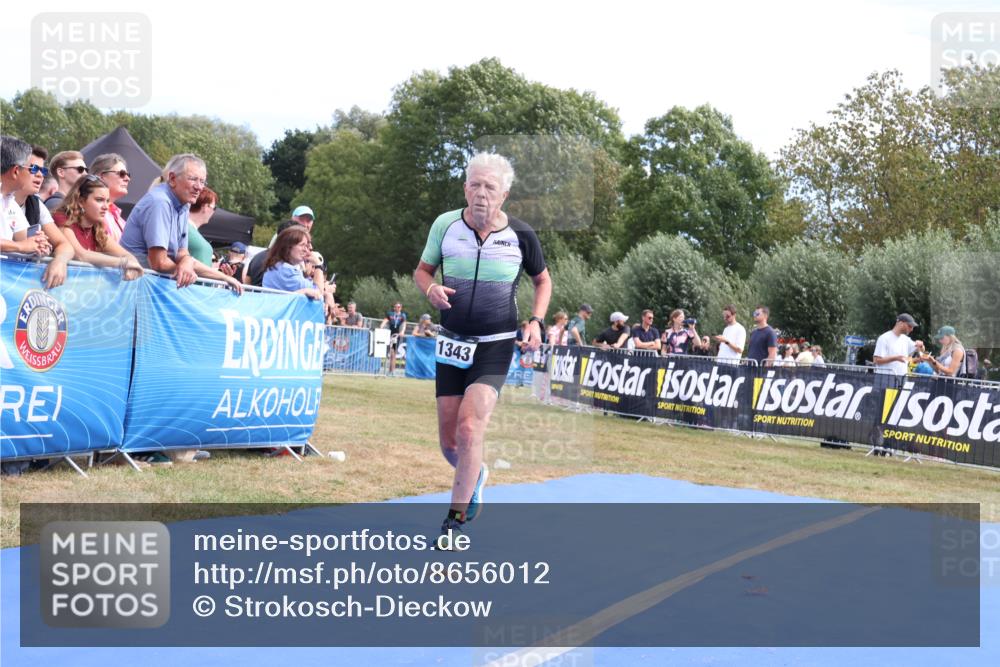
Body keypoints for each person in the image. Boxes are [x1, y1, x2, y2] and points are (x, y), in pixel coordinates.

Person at [413, 152, 551, 546]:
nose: (481, 193)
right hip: (451, 343)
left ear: (504, 194)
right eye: (474, 184)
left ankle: (453, 520)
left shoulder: (521, 235)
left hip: (495, 343)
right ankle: (477, 475)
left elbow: (543, 282)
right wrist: (431, 289)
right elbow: (422, 271)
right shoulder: (445, 226)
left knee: (471, 427)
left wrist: (536, 321)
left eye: (490, 186)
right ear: (464, 188)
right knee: (450, 442)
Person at [120, 153, 242, 293]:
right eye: (193, 179)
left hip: (145, 287)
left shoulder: (184, 205)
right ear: (172, 179)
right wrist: (186, 267)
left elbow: (182, 254)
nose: (199, 187)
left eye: (202, 181)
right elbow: (158, 262)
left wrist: (224, 278)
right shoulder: (160, 202)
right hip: (131, 289)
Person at [1, 141, 73, 288]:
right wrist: (21, 247)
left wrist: (40, 246)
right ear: (16, 170)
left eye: (43, 170)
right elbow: (23, 243)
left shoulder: (11, 202)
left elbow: (28, 239)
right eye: (33, 169)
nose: (40, 175)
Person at [55, 175, 143, 279]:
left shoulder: (96, 227)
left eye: (107, 201)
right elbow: (80, 255)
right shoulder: (61, 217)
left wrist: (131, 266)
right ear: (81, 201)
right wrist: (123, 263)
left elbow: (127, 256)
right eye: (99, 200)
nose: (106, 206)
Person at [262, 226, 323, 299]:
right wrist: (318, 265)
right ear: (287, 247)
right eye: (302, 245)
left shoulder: (278, 266)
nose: (306, 250)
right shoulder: (286, 271)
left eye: (306, 246)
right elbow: (318, 293)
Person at [88, 153, 130, 241]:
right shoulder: (91, 213)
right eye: (121, 174)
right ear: (101, 177)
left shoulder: (119, 217)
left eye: (128, 174)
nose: (127, 178)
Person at [186, 187, 218, 266]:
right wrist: (225, 277)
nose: (214, 212)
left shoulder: (186, 228)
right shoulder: (187, 230)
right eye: (214, 208)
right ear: (205, 207)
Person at [380, 302, 408, 375]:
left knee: (393, 353)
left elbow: (404, 324)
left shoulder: (402, 315)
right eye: (396, 307)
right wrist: (381, 326)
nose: (397, 308)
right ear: (394, 307)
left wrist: (402, 331)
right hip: (388, 334)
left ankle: (392, 370)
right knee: (388, 352)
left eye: (398, 307)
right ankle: (390, 370)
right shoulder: (390, 314)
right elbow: (385, 320)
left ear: (401, 308)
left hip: (396, 336)